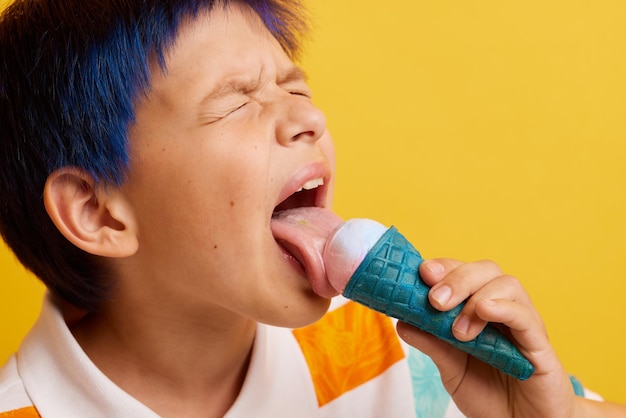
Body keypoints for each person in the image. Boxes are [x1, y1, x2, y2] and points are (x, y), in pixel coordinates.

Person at [0, 0, 624, 416]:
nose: (308, 117)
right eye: (238, 102)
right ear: (99, 213)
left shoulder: (394, 352)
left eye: (295, 87)